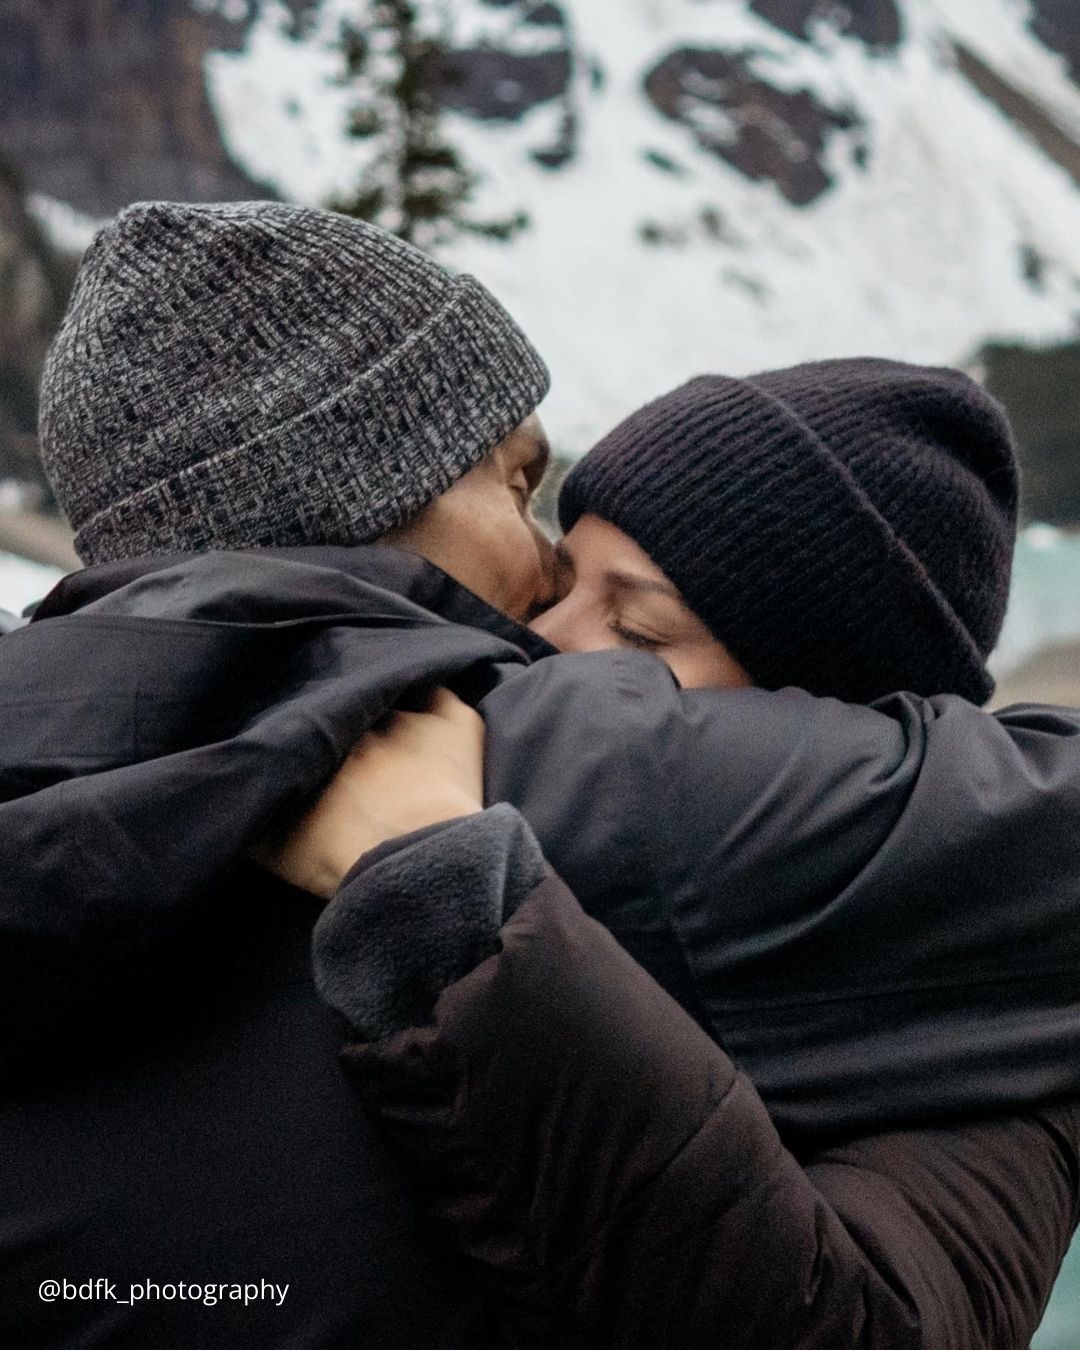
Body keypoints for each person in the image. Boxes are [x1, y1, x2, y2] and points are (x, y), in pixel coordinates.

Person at [0, 200, 1076, 1348]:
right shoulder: (542, 762)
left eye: (643, 633)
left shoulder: (59, 724)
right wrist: (452, 913)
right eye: (522, 491)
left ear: (827, 722)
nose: (552, 635)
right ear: (359, 498)